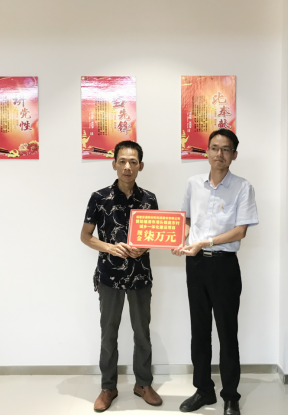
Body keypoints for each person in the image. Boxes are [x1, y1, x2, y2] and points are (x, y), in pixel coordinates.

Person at [172, 129, 259, 415]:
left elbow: (240, 230)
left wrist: (204, 242)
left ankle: (231, 394)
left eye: (225, 149)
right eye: (214, 148)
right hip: (195, 265)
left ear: (234, 155)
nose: (219, 154)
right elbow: (186, 219)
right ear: (207, 152)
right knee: (199, 331)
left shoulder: (243, 187)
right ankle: (204, 390)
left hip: (224, 266)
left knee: (227, 331)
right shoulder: (193, 183)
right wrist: (181, 239)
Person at [81, 140, 162, 412]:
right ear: (114, 163)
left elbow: (156, 236)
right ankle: (108, 387)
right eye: (123, 161)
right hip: (109, 277)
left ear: (141, 166)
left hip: (140, 276)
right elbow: (85, 236)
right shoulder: (99, 197)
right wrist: (109, 247)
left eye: (133, 162)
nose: (128, 166)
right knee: (109, 334)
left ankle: (143, 384)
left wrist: (144, 247)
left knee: (142, 333)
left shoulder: (149, 199)